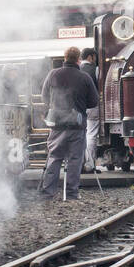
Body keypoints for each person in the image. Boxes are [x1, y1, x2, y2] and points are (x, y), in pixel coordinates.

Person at [40, 47, 99, 199]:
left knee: (54, 158)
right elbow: (93, 101)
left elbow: (44, 97)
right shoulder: (84, 77)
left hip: (57, 124)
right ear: (78, 59)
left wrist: (54, 107)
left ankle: (48, 192)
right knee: (75, 160)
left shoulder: (53, 74)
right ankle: (72, 193)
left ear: (64, 58)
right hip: (77, 125)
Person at [79, 48, 100, 172]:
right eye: (94, 57)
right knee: (91, 135)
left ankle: (80, 163)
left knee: (80, 135)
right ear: (90, 57)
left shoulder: (77, 70)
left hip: (78, 107)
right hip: (92, 106)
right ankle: (90, 164)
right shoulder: (95, 70)